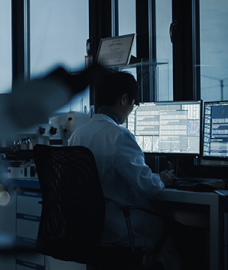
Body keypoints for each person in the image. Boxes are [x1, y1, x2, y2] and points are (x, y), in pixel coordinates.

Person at [67, 70, 178, 268]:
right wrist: (161, 178)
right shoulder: (119, 136)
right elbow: (148, 187)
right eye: (133, 105)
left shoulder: (77, 136)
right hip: (121, 230)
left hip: (91, 231)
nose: (132, 110)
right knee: (173, 249)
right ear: (124, 99)